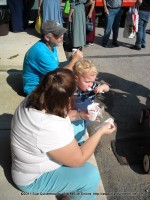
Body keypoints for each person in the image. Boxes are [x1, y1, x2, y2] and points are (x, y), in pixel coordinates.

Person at [11, 68, 116, 200]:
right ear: (66, 98)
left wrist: (80, 114)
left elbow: (62, 115)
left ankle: (67, 191)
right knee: (90, 176)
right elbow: (79, 159)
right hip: (32, 178)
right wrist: (101, 131)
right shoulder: (50, 126)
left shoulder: (35, 98)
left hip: (26, 165)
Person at [22, 20, 83, 95]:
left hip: (45, 81)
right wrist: (74, 59)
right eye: (58, 35)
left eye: (62, 33)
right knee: (71, 92)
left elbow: (56, 65)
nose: (62, 36)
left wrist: (71, 60)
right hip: (35, 89)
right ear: (47, 37)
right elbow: (59, 76)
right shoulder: (41, 52)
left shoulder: (51, 46)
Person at [71, 59, 110, 144]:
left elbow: (107, 87)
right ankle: (75, 143)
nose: (91, 84)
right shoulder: (72, 90)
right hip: (75, 117)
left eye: (92, 81)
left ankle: (80, 139)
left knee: (83, 127)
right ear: (76, 78)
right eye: (87, 81)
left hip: (87, 115)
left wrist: (102, 87)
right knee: (73, 132)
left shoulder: (93, 86)